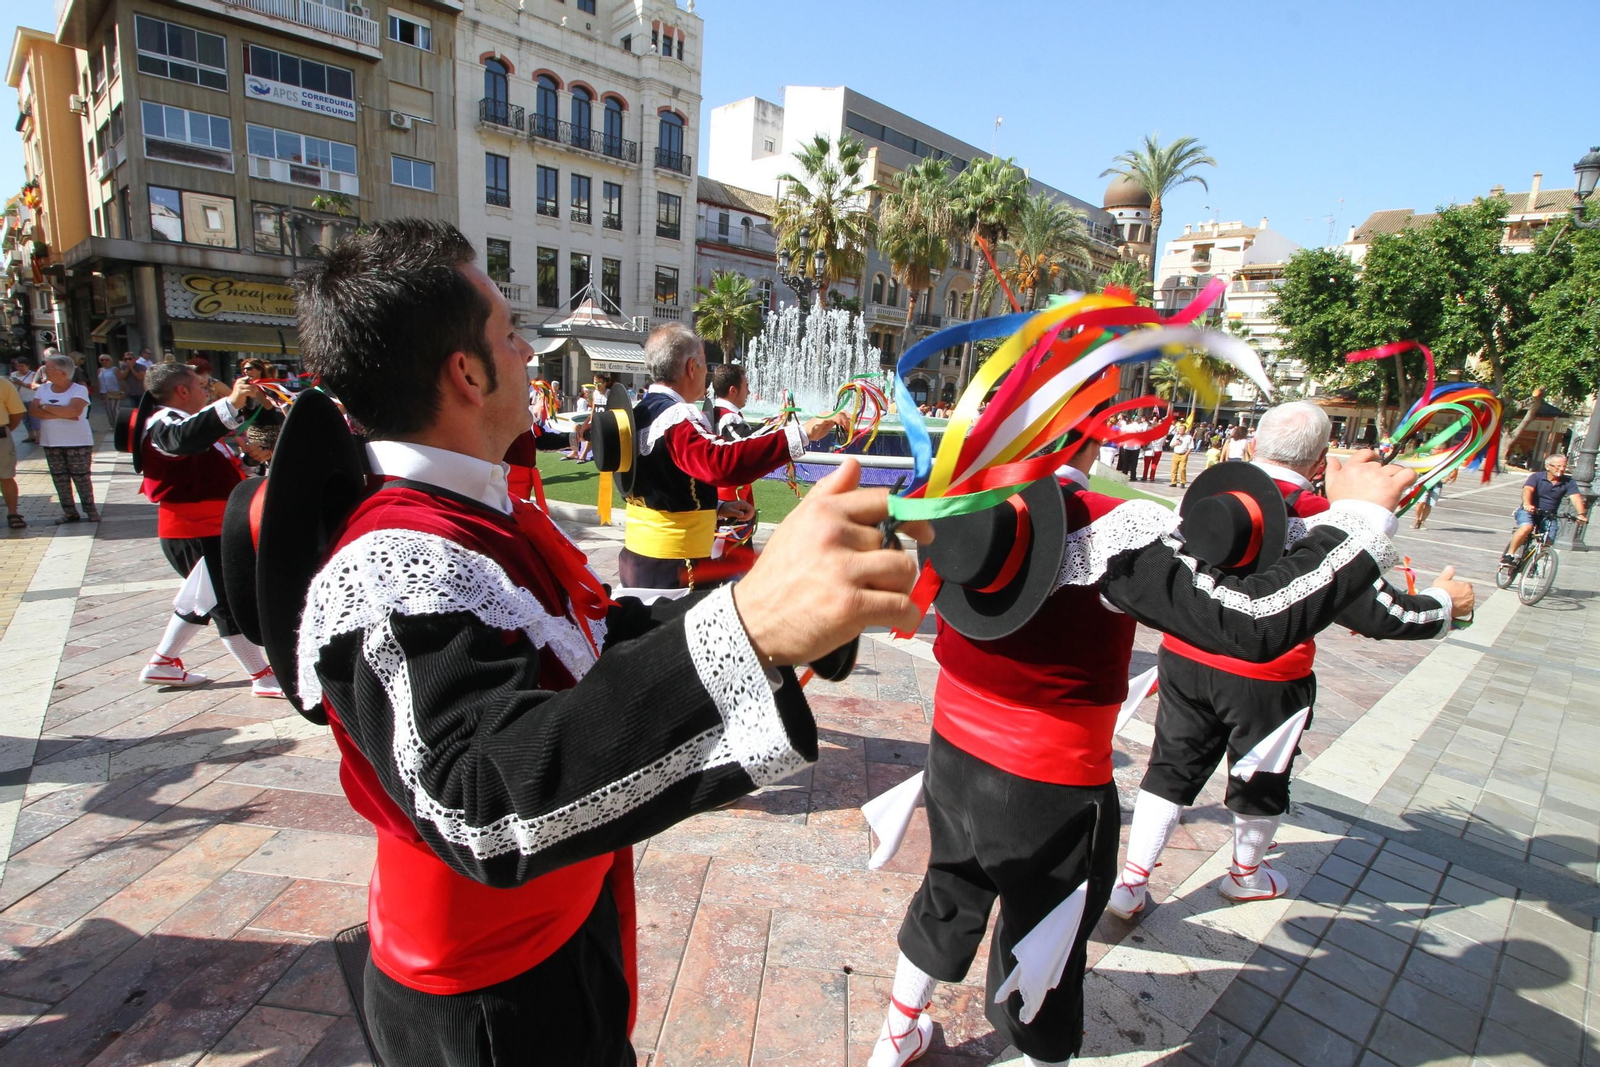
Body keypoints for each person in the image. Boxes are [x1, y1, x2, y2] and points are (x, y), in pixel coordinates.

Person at [290, 219, 929, 1066]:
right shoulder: (384, 566)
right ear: (467, 372)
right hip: (484, 1000)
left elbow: (600, 634)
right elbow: (476, 802)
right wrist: (751, 625)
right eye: (512, 334)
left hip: (561, 928)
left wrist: (784, 617)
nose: (527, 352)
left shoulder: (481, 512)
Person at [867, 413, 1443, 1067]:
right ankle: (1030, 1050)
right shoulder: (1105, 521)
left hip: (952, 758)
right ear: (1090, 435)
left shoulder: (963, 495)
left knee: (949, 887)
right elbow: (1251, 619)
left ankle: (898, 1035)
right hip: (1049, 789)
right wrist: (1362, 519)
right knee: (1046, 940)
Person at [1108, 401, 1473, 923]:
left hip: (1185, 659)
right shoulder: (1321, 519)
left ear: (1253, 446)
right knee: (1260, 776)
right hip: (1268, 676)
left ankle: (1131, 884)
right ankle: (1245, 876)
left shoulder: (1210, 496)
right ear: (1322, 461)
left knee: (1169, 767)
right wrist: (1444, 604)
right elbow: (1379, 614)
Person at [616, 322, 846, 589]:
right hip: (677, 569)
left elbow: (660, 485)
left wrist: (718, 508)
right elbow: (721, 463)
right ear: (692, 367)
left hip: (640, 561)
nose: (707, 374)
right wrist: (802, 433)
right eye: (704, 364)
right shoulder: (676, 416)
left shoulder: (640, 411)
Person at [132, 362, 283, 696]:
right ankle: (261, 675)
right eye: (201, 387)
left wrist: (247, 461)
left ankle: (163, 662)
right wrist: (230, 404)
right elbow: (179, 442)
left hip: (209, 526)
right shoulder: (164, 422)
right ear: (182, 391)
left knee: (205, 598)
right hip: (193, 530)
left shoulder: (186, 423)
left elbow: (201, 465)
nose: (206, 392)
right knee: (226, 603)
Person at [31, 353, 99, 524]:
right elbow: (34, 411)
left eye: (49, 368)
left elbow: (74, 412)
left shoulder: (79, 389)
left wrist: (46, 407)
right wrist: (62, 411)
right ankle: (69, 512)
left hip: (77, 441)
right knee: (59, 478)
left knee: (81, 477)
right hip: (51, 441)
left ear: (62, 372)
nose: (45, 370)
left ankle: (90, 509)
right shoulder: (43, 389)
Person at [709, 363, 761, 549]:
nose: (748, 392)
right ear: (733, 390)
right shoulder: (728, 417)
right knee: (734, 566)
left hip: (726, 502)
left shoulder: (715, 414)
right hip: (731, 504)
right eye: (746, 387)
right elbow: (750, 445)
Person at [1503, 454, 1588, 563]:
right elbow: (1527, 490)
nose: (1562, 469)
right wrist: (1527, 504)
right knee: (1526, 528)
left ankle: (1533, 561)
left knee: (1549, 539)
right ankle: (1509, 555)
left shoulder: (1569, 482)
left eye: (1564, 466)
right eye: (1558, 466)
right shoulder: (1537, 477)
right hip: (1530, 510)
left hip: (1548, 514)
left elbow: (1576, 498)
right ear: (1548, 466)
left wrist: (1581, 514)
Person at [0, 372, 24, 528]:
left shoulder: (3, 384)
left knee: (6, 475)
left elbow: (17, 412)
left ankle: (13, 512)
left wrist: (7, 430)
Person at [10, 359, 39, 443]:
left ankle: (38, 435)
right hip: (20, 400)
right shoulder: (13, 375)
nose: (19, 368)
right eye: (17, 366)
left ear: (28, 366)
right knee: (25, 419)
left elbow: (34, 386)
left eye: (22, 366)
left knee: (35, 418)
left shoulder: (33, 375)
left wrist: (20, 383)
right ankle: (31, 435)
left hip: (32, 399)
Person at [96, 354, 125, 426]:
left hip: (115, 392)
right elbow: (99, 381)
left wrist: (122, 391)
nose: (104, 362)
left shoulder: (115, 369)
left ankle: (118, 424)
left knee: (114, 409)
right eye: (102, 360)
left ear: (110, 361)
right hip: (104, 392)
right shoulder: (100, 370)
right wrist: (98, 391)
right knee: (108, 410)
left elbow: (121, 380)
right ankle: (112, 424)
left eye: (106, 360)